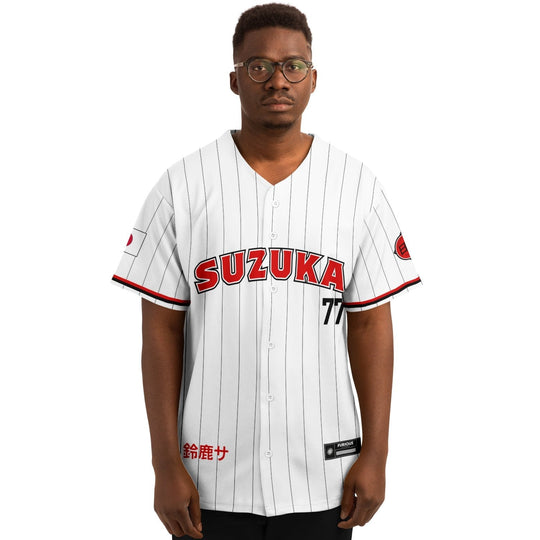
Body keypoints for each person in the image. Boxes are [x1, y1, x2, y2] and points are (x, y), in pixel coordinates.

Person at [111, 3, 421, 539]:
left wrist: (377, 454)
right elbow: (159, 329)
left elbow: (371, 323)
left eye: (293, 66)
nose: (278, 80)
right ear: (234, 79)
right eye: (259, 66)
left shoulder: (356, 187)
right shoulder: (182, 185)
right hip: (208, 476)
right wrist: (164, 463)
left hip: (326, 474)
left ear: (313, 79)